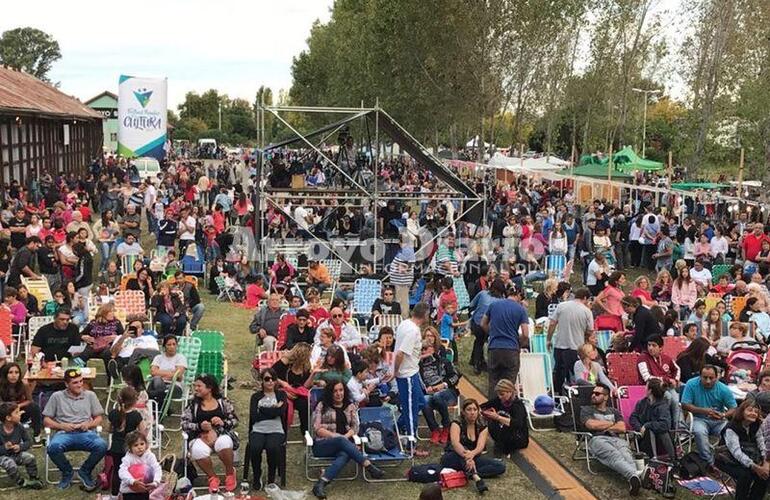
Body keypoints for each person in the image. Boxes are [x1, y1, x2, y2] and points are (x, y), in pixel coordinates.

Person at [310, 381, 384, 498]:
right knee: (342, 442)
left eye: (341, 390)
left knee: (345, 454)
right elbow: (317, 428)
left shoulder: (350, 405)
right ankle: (368, 465)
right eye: (335, 391)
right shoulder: (322, 405)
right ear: (330, 393)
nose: (339, 394)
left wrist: (344, 438)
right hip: (322, 444)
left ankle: (321, 483)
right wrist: (338, 437)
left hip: (343, 444)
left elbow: (355, 427)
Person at [43, 367, 108, 491]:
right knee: (53, 447)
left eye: (81, 381)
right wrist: (61, 426)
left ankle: (85, 471)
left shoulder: (90, 395)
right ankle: (67, 472)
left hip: (86, 432)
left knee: (102, 445)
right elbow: (46, 420)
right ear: (67, 384)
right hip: (64, 433)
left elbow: (99, 418)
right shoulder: (57, 396)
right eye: (75, 383)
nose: (79, 385)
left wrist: (88, 425)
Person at [580, 383, 642, 496]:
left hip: (616, 439)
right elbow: (591, 425)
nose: (593, 395)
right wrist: (612, 424)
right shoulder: (586, 410)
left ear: (606, 397)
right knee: (614, 455)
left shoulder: (614, 411)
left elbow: (622, 428)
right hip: (597, 439)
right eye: (593, 393)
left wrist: (603, 425)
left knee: (626, 454)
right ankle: (634, 476)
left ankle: (635, 479)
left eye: (597, 393)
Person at [181, 375, 239, 494]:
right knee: (197, 450)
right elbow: (184, 424)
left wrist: (223, 422)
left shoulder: (223, 401)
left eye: (199, 386)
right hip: (200, 437)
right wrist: (199, 426)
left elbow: (235, 421)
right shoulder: (193, 404)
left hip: (221, 434)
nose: (195, 388)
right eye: (194, 386)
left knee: (223, 443)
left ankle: (230, 473)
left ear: (209, 388)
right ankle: (212, 477)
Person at [440, 399, 506, 495]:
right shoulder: (456, 423)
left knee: (500, 467)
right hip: (454, 456)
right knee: (463, 451)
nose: (472, 412)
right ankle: (476, 477)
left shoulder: (482, 425)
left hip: (473, 458)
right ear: (463, 411)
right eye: (469, 409)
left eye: (475, 409)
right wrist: (468, 457)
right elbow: (455, 444)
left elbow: (480, 446)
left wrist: (472, 454)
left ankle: (466, 473)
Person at [681, 365, 737, 465]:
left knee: (730, 432)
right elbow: (685, 405)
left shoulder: (723, 389)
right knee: (699, 432)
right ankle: (709, 463)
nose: (708, 381)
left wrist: (723, 415)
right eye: (704, 377)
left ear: (717, 377)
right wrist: (704, 411)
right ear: (700, 376)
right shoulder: (691, 384)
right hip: (698, 418)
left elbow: (733, 408)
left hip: (718, 421)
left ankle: (726, 459)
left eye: (711, 378)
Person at [715, 399, 769, 500]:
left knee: (765, 475)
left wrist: (764, 462)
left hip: (749, 456)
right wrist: (755, 467)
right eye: (750, 410)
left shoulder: (756, 425)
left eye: (756, 412)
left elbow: (762, 445)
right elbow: (736, 452)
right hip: (727, 459)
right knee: (746, 476)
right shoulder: (731, 428)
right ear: (742, 411)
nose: (753, 413)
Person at [482, 286, 529, 399]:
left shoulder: (494, 305)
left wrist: (492, 333)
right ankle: (506, 412)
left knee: (494, 382)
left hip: (494, 348)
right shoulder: (520, 309)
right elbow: (526, 334)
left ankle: (492, 411)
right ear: (518, 295)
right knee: (508, 385)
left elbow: (482, 323)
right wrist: (519, 343)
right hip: (511, 349)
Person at [395, 303, 429, 455]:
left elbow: (408, 347)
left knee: (421, 402)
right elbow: (401, 353)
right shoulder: (413, 330)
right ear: (425, 315)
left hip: (412, 372)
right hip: (406, 374)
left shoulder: (405, 323)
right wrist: (395, 371)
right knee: (410, 410)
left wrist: (423, 344)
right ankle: (411, 444)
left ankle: (395, 427)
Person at [547, 288, 593, 395]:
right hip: (576, 347)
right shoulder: (587, 311)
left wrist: (548, 339)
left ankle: (557, 394)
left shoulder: (561, 306)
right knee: (576, 374)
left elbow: (552, 323)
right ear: (585, 298)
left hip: (560, 345)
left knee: (558, 373)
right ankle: (576, 396)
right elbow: (590, 330)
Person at [248, 368, 287, 490]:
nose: (270, 381)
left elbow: (281, 411)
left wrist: (263, 410)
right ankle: (257, 475)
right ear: (262, 381)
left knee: (273, 448)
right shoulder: (255, 397)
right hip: (258, 429)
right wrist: (273, 410)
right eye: (266, 379)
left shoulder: (281, 395)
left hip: (276, 429)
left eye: (273, 379)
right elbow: (254, 416)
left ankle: (271, 477)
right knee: (255, 447)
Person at [419, 328, 460, 445]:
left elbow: (456, 376)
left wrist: (442, 385)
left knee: (437, 395)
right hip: (429, 393)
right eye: (422, 349)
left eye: (426, 349)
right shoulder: (418, 365)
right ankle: (435, 430)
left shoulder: (443, 361)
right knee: (425, 400)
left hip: (447, 392)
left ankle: (446, 426)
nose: (424, 351)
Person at [107, 387, 147, 499]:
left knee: (117, 471)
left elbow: (109, 429)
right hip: (129, 448)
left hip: (115, 448)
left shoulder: (113, 413)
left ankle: (114, 495)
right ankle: (129, 492)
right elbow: (142, 432)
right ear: (134, 401)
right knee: (130, 471)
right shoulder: (136, 416)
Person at [637, 336, 682, 427]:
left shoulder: (666, 358)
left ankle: (678, 428)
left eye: (654, 345)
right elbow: (647, 378)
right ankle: (665, 423)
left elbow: (677, 369)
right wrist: (668, 380)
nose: (650, 348)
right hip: (652, 388)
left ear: (660, 348)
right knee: (669, 397)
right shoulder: (642, 358)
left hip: (666, 386)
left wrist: (675, 380)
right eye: (649, 345)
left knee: (676, 399)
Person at [629, 378, 676, 459]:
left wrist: (647, 425)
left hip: (660, 441)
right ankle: (653, 458)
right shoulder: (642, 403)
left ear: (650, 391)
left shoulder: (662, 406)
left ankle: (664, 458)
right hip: (643, 438)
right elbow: (633, 417)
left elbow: (665, 425)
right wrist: (640, 428)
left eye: (646, 387)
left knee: (652, 430)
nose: (644, 388)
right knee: (648, 431)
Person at [480, 379, 529, 457]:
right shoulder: (499, 400)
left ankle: (502, 450)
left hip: (518, 437)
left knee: (502, 425)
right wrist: (485, 412)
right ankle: (481, 444)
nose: (500, 397)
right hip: (502, 433)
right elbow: (482, 406)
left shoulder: (518, 405)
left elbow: (517, 424)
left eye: (502, 394)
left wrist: (498, 417)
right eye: (498, 394)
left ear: (510, 392)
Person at [271, 343, 313, 434]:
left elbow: (305, 386)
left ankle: (305, 432)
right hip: (282, 391)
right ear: (302, 356)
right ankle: (282, 432)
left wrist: (313, 375)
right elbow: (269, 375)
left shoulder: (306, 366)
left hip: (297, 393)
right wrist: (283, 383)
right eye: (308, 356)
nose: (310, 358)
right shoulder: (285, 362)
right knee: (284, 404)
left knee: (305, 404)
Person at [0, 402, 42, 489]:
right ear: (8, 418)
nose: (21, 413)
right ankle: (21, 482)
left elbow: (28, 442)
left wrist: (20, 447)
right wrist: (4, 447)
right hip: (2, 456)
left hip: (16, 454)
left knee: (30, 458)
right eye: (16, 412)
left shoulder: (19, 427)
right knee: (10, 464)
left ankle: (33, 477)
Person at [74, 302, 124, 371]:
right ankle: (79, 372)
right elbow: (79, 335)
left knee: (107, 354)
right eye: (111, 311)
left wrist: (116, 338)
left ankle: (111, 374)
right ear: (104, 313)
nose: (113, 313)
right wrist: (83, 337)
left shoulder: (116, 323)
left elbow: (124, 336)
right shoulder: (93, 323)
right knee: (85, 352)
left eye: (113, 311)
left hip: (108, 348)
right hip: (93, 347)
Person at [0, 363, 42, 441]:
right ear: (5, 374)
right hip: (5, 412)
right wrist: (12, 408)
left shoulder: (24, 384)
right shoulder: (1, 385)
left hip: (20, 411)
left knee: (34, 407)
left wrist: (18, 406)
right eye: (10, 372)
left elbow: (29, 400)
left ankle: (37, 435)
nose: (14, 375)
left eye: (16, 372)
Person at [117, 430, 162, 500]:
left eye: (142, 444)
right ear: (130, 447)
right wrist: (132, 481)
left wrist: (155, 482)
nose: (139, 447)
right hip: (129, 491)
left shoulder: (150, 456)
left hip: (144, 489)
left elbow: (157, 468)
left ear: (146, 444)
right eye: (136, 445)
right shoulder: (128, 458)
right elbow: (122, 471)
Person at [148, 335, 187, 404]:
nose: (172, 347)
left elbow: (178, 375)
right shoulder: (158, 358)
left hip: (175, 386)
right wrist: (171, 373)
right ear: (164, 346)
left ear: (177, 345)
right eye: (169, 344)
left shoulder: (180, 358)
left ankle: (158, 405)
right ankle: (164, 408)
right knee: (157, 379)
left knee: (156, 383)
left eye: (174, 344)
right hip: (158, 384)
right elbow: (153, 372)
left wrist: (160, 374)